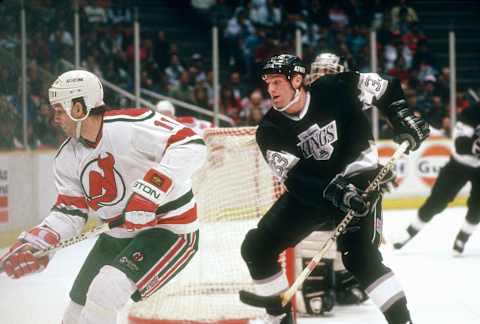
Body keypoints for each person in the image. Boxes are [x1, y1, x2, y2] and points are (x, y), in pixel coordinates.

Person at [0, 70, 207, 324]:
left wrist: (149, 193)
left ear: (79, 108)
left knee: (105, 291)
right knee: (75, 313)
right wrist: (37, 241)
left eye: (59, 110)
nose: (55, 119)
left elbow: (191, 144)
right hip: (117, 234)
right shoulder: (67, 158)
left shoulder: (129, 126)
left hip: (168, 230)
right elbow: (70, 212)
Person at [239, 54, 429, 324]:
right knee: (257, 247)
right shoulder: (270, 129)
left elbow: (387, 87)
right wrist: (337, 193)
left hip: (360, 179)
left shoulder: (336, 88)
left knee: (360, 257)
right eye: (268, 82)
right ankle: (279, 319)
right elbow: (296, 178)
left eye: (277, 82)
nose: (270, 89)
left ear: (296, 80)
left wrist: (402, 117)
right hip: (318, 193)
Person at [393, 101, 480, 254]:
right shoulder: (471, 112)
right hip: (458, 165)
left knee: (477, 206)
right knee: (437, 201)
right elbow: (460, 145)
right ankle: (410, 232)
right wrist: (475, 145)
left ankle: (462, 238)